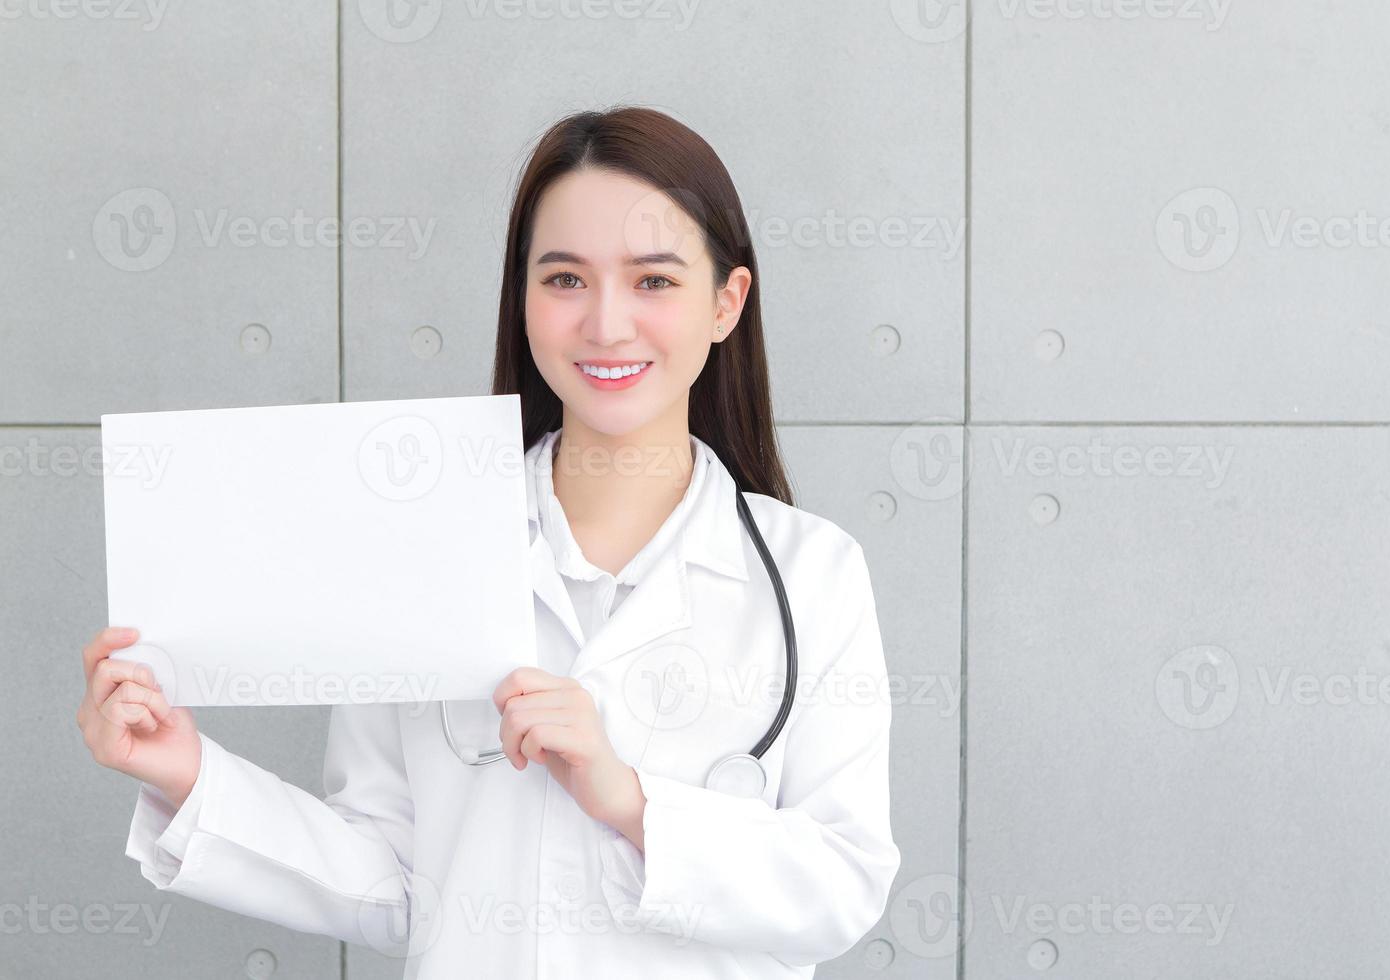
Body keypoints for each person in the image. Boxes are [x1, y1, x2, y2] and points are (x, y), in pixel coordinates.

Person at [78, 105, 901, 978]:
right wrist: (188, 774)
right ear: (523, 298)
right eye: (565, 280)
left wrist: (628, 802)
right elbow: (393, 881)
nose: (608, 324)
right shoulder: (424, 548)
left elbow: (844, 882)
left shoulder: (813, 574)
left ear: (726, 302)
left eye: (654, 281)